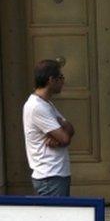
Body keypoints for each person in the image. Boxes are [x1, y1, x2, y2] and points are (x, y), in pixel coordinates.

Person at [22, 59, 74, 197]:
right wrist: (63, 132)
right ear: (51, 80)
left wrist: (64, 129)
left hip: (55, 174)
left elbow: (70, 128)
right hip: (50, 176)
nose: (63, 81)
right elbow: (64, 137)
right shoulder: (37, 107)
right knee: (56, 217)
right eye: (61, 77)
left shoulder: (46, 104)